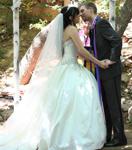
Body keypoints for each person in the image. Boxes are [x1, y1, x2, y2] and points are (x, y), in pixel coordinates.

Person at [0, 6, 107, 150]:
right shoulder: (72, 29)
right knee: (78, 100)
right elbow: (81, 51)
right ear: (71, 17)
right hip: (71, 67)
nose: (79, 17)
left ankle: (56, 135)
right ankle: (73, 137)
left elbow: (73, 50)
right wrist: (99, 62)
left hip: (63, 67)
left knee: (59, 106)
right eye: (77, 15)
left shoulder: (62, 31)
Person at [79, 2, 127, 147]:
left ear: (91, 9)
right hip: (102, 72)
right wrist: (87, 35)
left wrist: (112, 60)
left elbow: (116, 40)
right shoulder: (93, 27)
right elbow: (96, 47)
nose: (81, 14)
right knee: (106, 105)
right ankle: (108, 136)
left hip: (110, 72)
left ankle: (120, 137)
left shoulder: (101, 24)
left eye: (82, 11)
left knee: (113, 104)